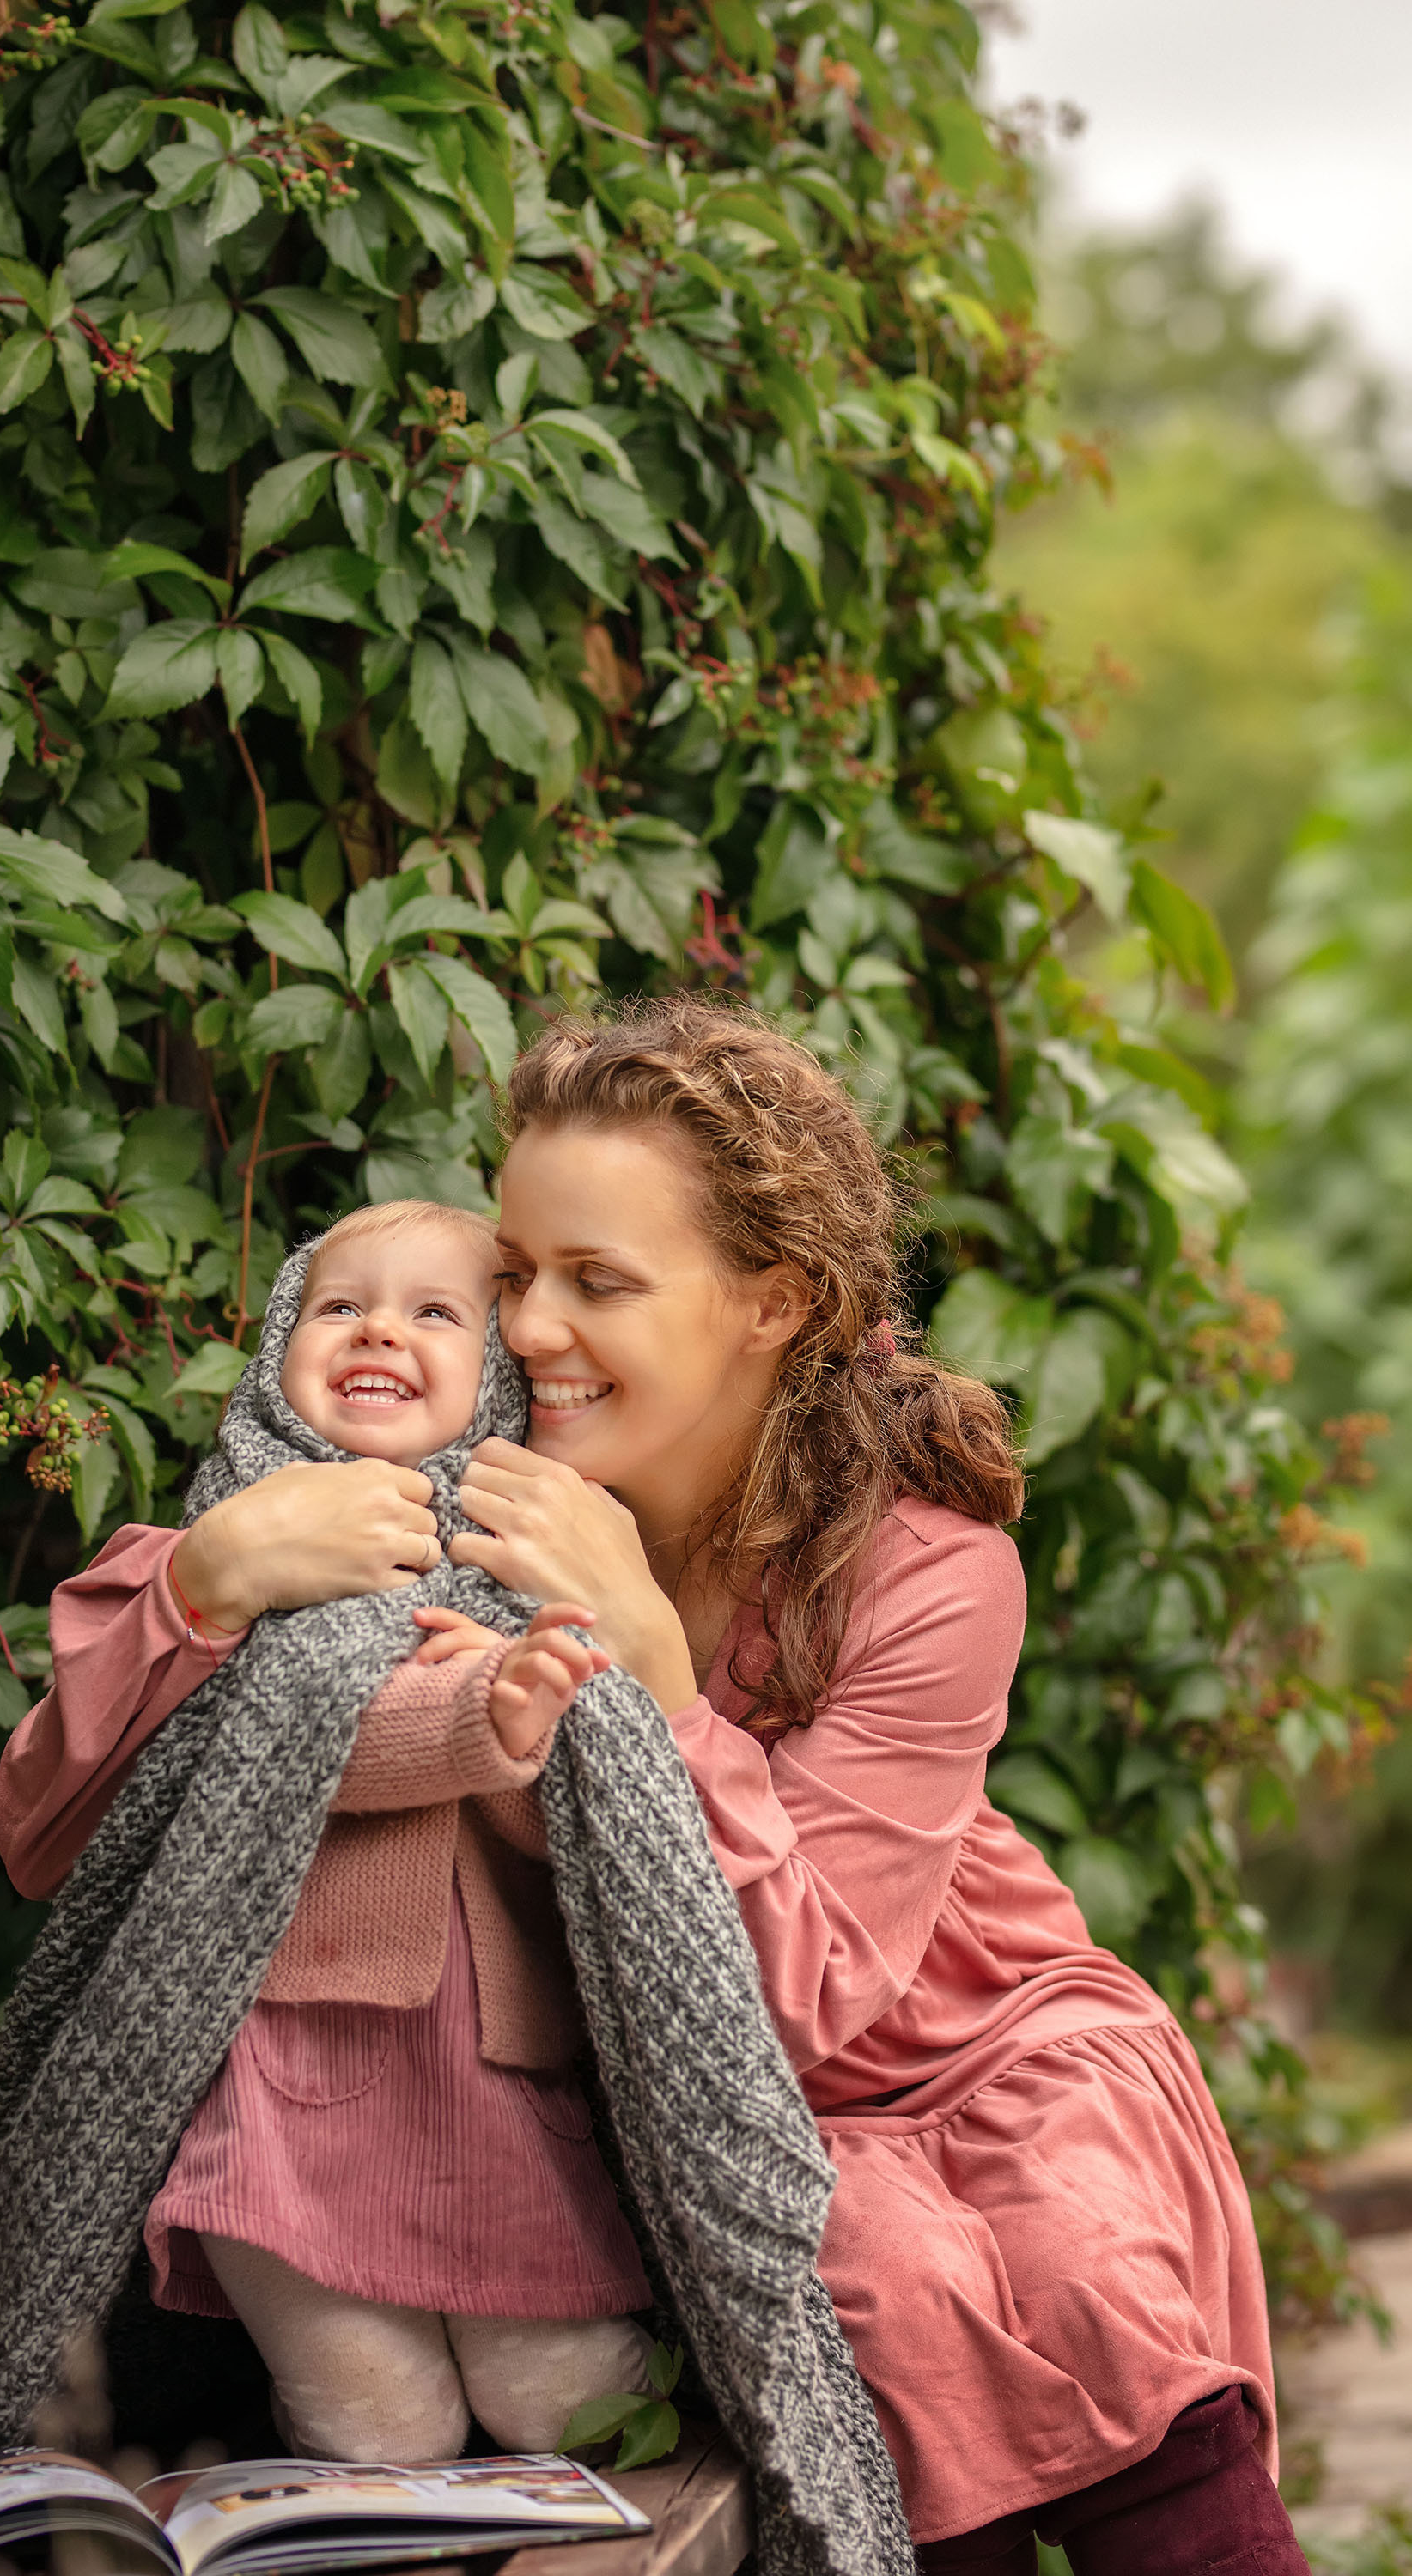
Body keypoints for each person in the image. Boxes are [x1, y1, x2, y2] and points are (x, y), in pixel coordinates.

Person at [424, 996, 1304, 2576]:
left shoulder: (928, 1571)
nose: (532, 1328)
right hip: (725, 2106)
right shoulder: (470, 1498)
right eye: (514, 1274)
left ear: (774, 1300)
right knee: (869, 2269)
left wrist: (660, 1675)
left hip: (972, 2043)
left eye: (599, 1281)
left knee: (1075, 2261)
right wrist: (201, 1582)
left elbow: (809, 1992)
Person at [0, 1199, 653, 2465]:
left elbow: (596, 1838)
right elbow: (35, 1822)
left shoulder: (542, 1572)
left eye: (437, 1312)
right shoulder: (190, 1558)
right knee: (377, 2424)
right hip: (281, 2096)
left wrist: (526, 1716)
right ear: (277, 1351)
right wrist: (210, 1584)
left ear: (505, 1376)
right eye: (337, 1303)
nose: (380, 1332)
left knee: (562, 2402)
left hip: (498, 2086)